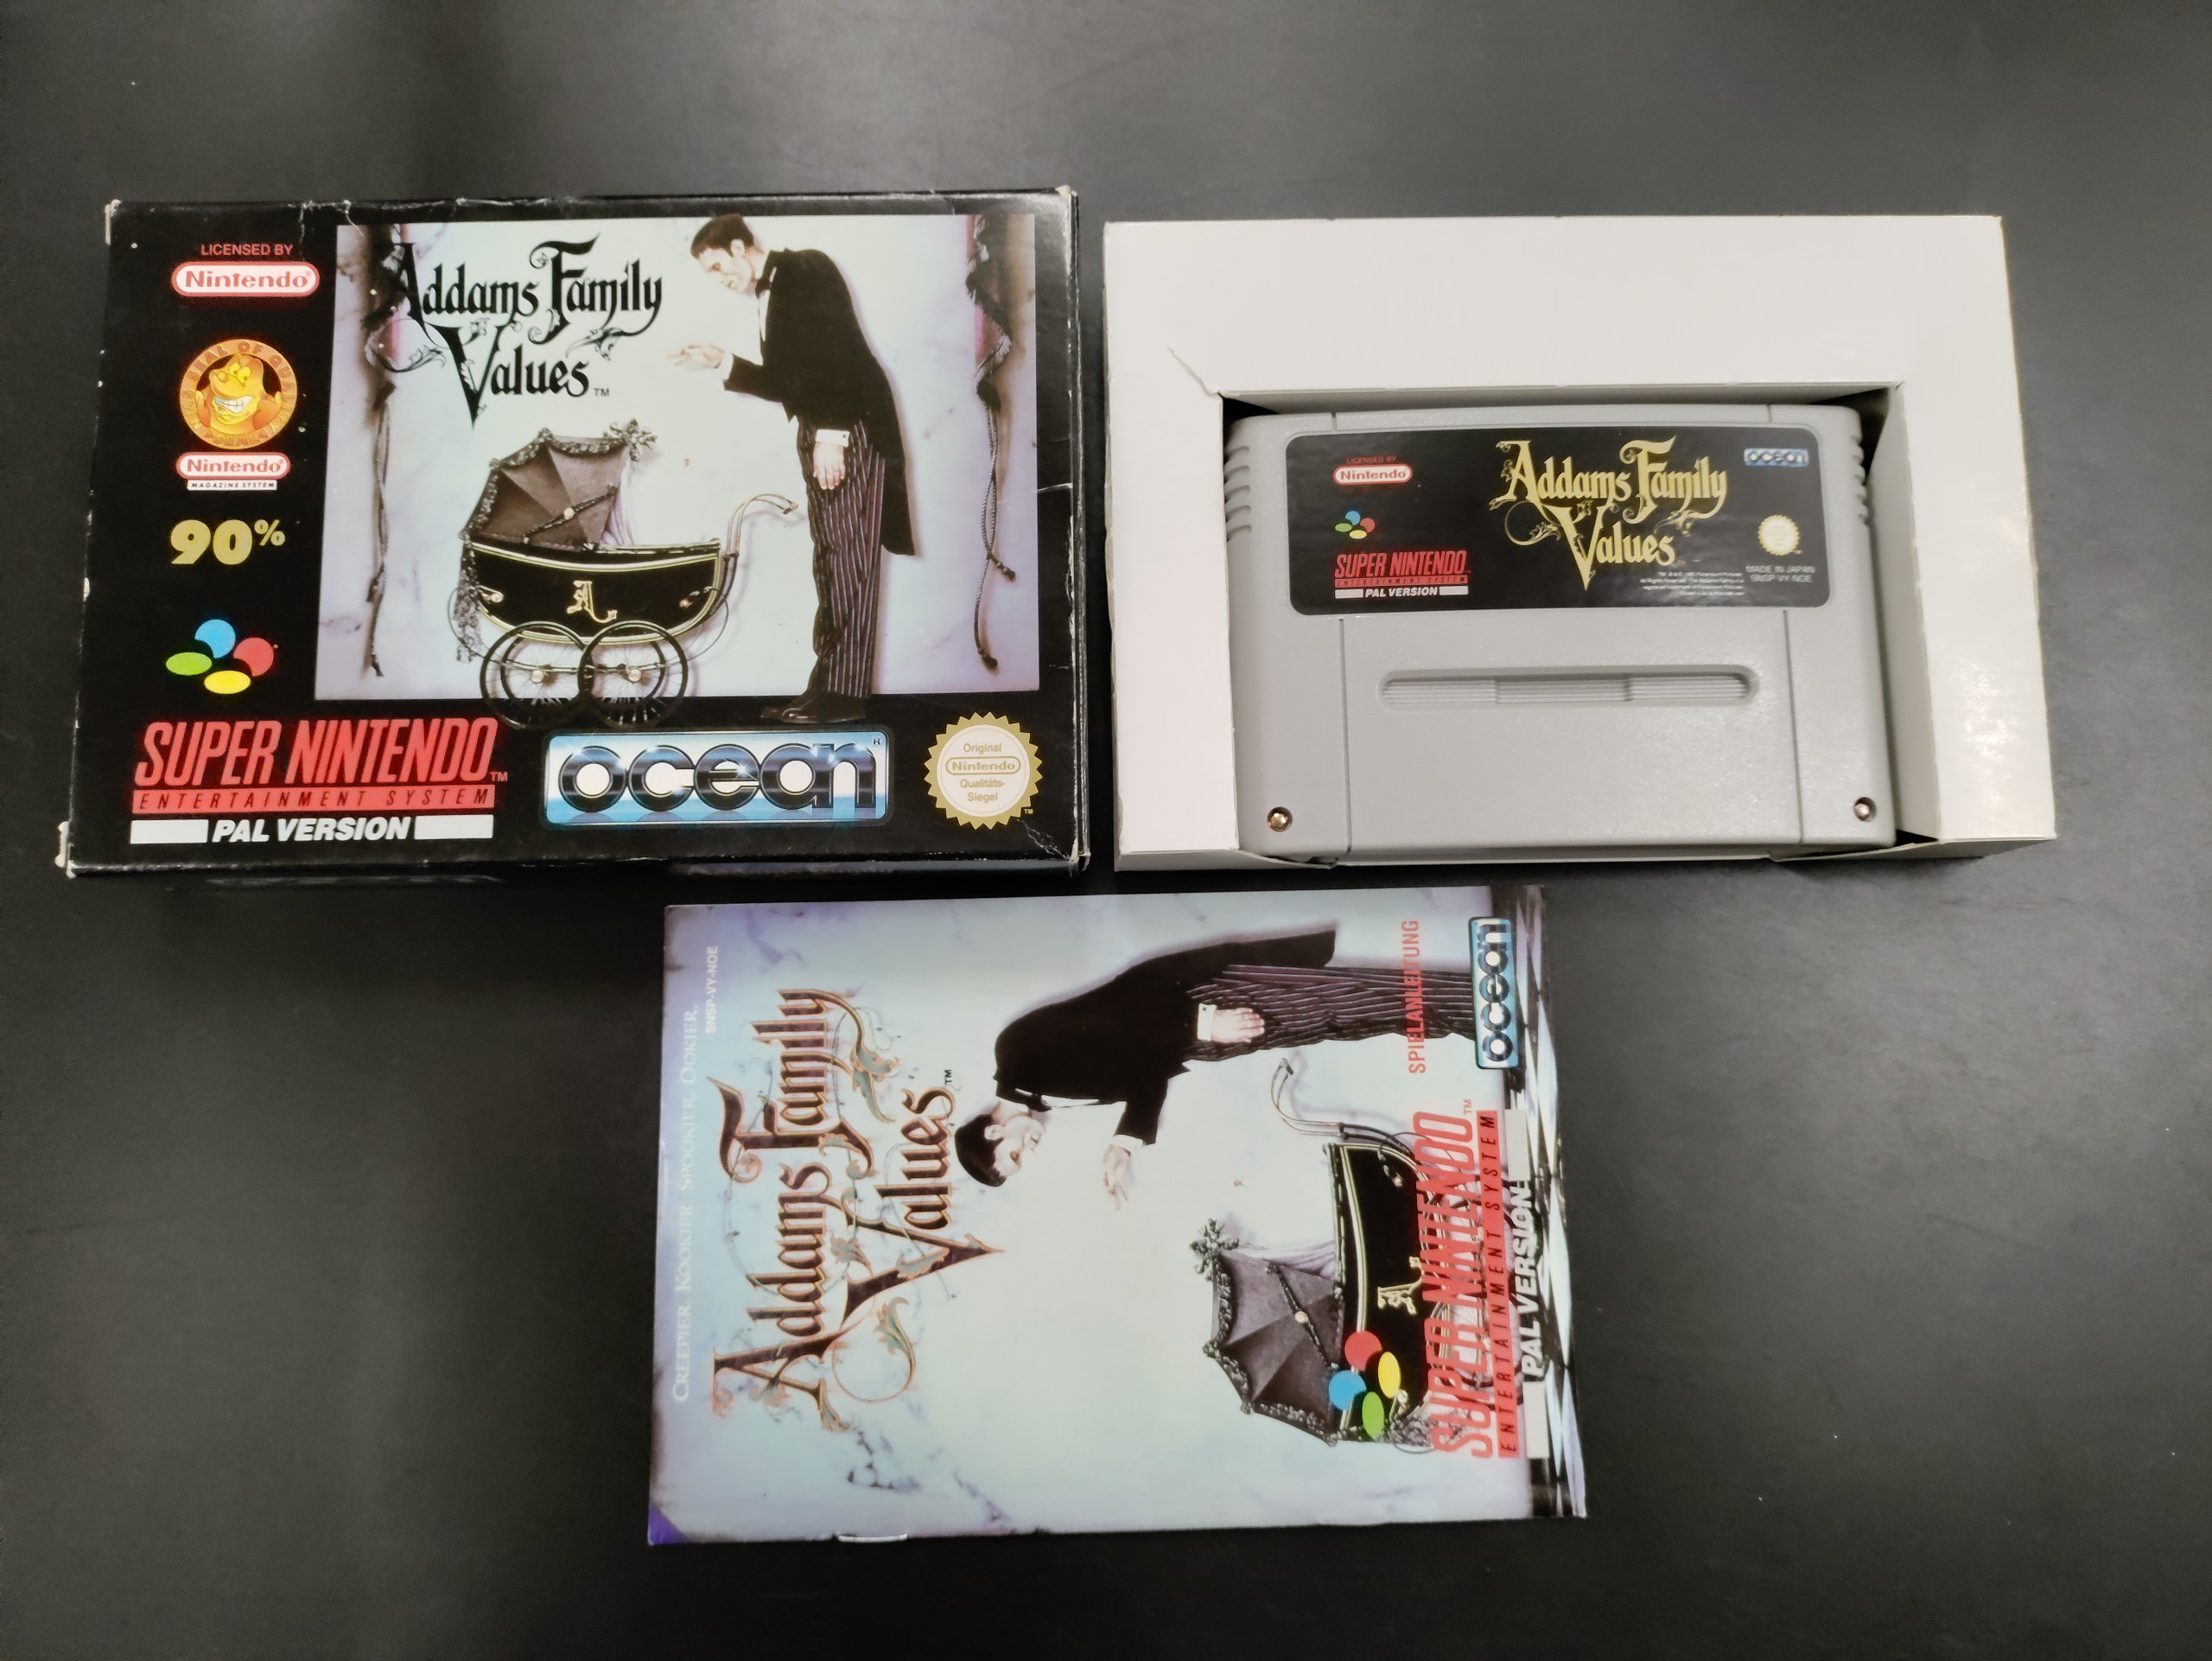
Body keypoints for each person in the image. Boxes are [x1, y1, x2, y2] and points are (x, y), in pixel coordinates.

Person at [953, 928, 1480, 1206]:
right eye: (1023, 1161)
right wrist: (1124, 1144)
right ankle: (1475, 1014)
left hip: (1200, 1002)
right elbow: (1145, 1073)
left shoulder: (1015, 1053)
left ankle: (1477, 1001)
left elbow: (1118, 1008)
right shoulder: (1044, 1099)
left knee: (1352, 1000)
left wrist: (1204, 1022)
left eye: (1016, 1153)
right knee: (1347, 1020)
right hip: (1204, 1035)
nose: (1030, 1151)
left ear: (995, 1131)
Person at [672, 213, 915, 723]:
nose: (719, 280)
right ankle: (826, 686)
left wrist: (832, 434)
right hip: (821, 430)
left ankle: (844, 696)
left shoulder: (805, 268)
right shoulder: (768, 296)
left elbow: (838, 353)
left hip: (847, 429)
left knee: (848, 559)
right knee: (831, 561)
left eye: (717, 267)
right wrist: (723, 361)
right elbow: (789, 383)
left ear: (738, 247)